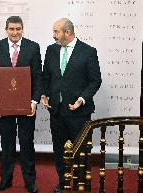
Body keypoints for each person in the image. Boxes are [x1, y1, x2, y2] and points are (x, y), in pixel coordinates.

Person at [41, 18, 102, 193]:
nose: (53, 36)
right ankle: (63, 181)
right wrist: (44, 94)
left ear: (67, 32)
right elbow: (47, 77)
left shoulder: (88, 52)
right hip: (57, 111)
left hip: (79, 113)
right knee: (59, 149)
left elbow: (95, 81)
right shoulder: (51, 50)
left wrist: (82, 99)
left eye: (56, 32)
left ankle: (81, 183)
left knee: (81, 151)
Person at [0, 16, 42, 193]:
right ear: (6, 30)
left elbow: (37, 77)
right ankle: (6, 180)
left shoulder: (33, 47)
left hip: (27, 106)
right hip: (4, 105)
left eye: (18, 29)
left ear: (23, 29)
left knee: (27, 143)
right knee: (7, 144)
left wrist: (34, 101)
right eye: (11, 29)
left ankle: (30, 181)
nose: (15, 32)